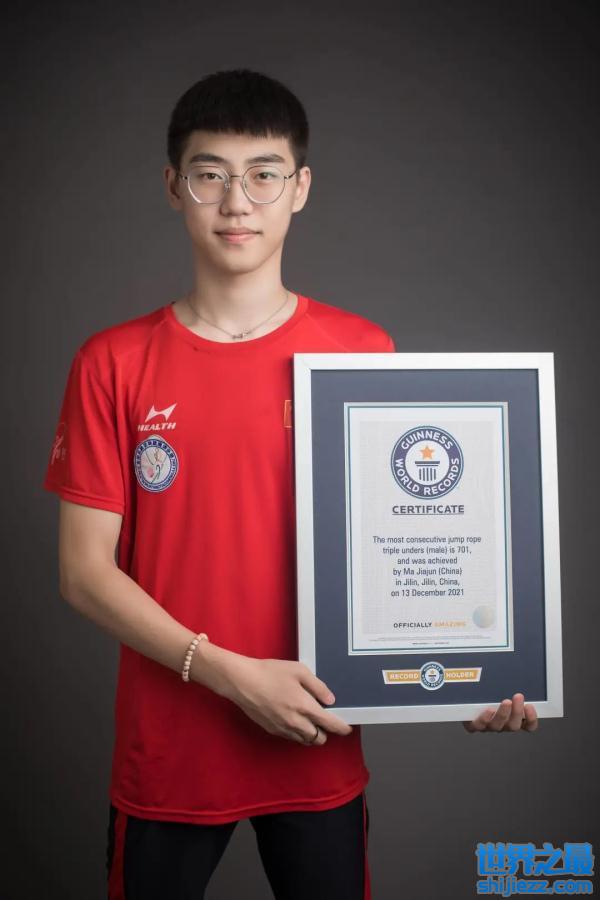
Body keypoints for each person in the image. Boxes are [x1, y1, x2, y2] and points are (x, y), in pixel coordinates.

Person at [42, 68, 538, 900]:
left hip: (317, 740)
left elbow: (412, 544)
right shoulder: (113, 362)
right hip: (170, 754)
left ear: (300, 188)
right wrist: (234, 675)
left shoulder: (361, 352)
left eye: (264, 174)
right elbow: (84, 573)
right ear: (173, 186)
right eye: (210, 174)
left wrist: (466, 673)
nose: (237, 202)